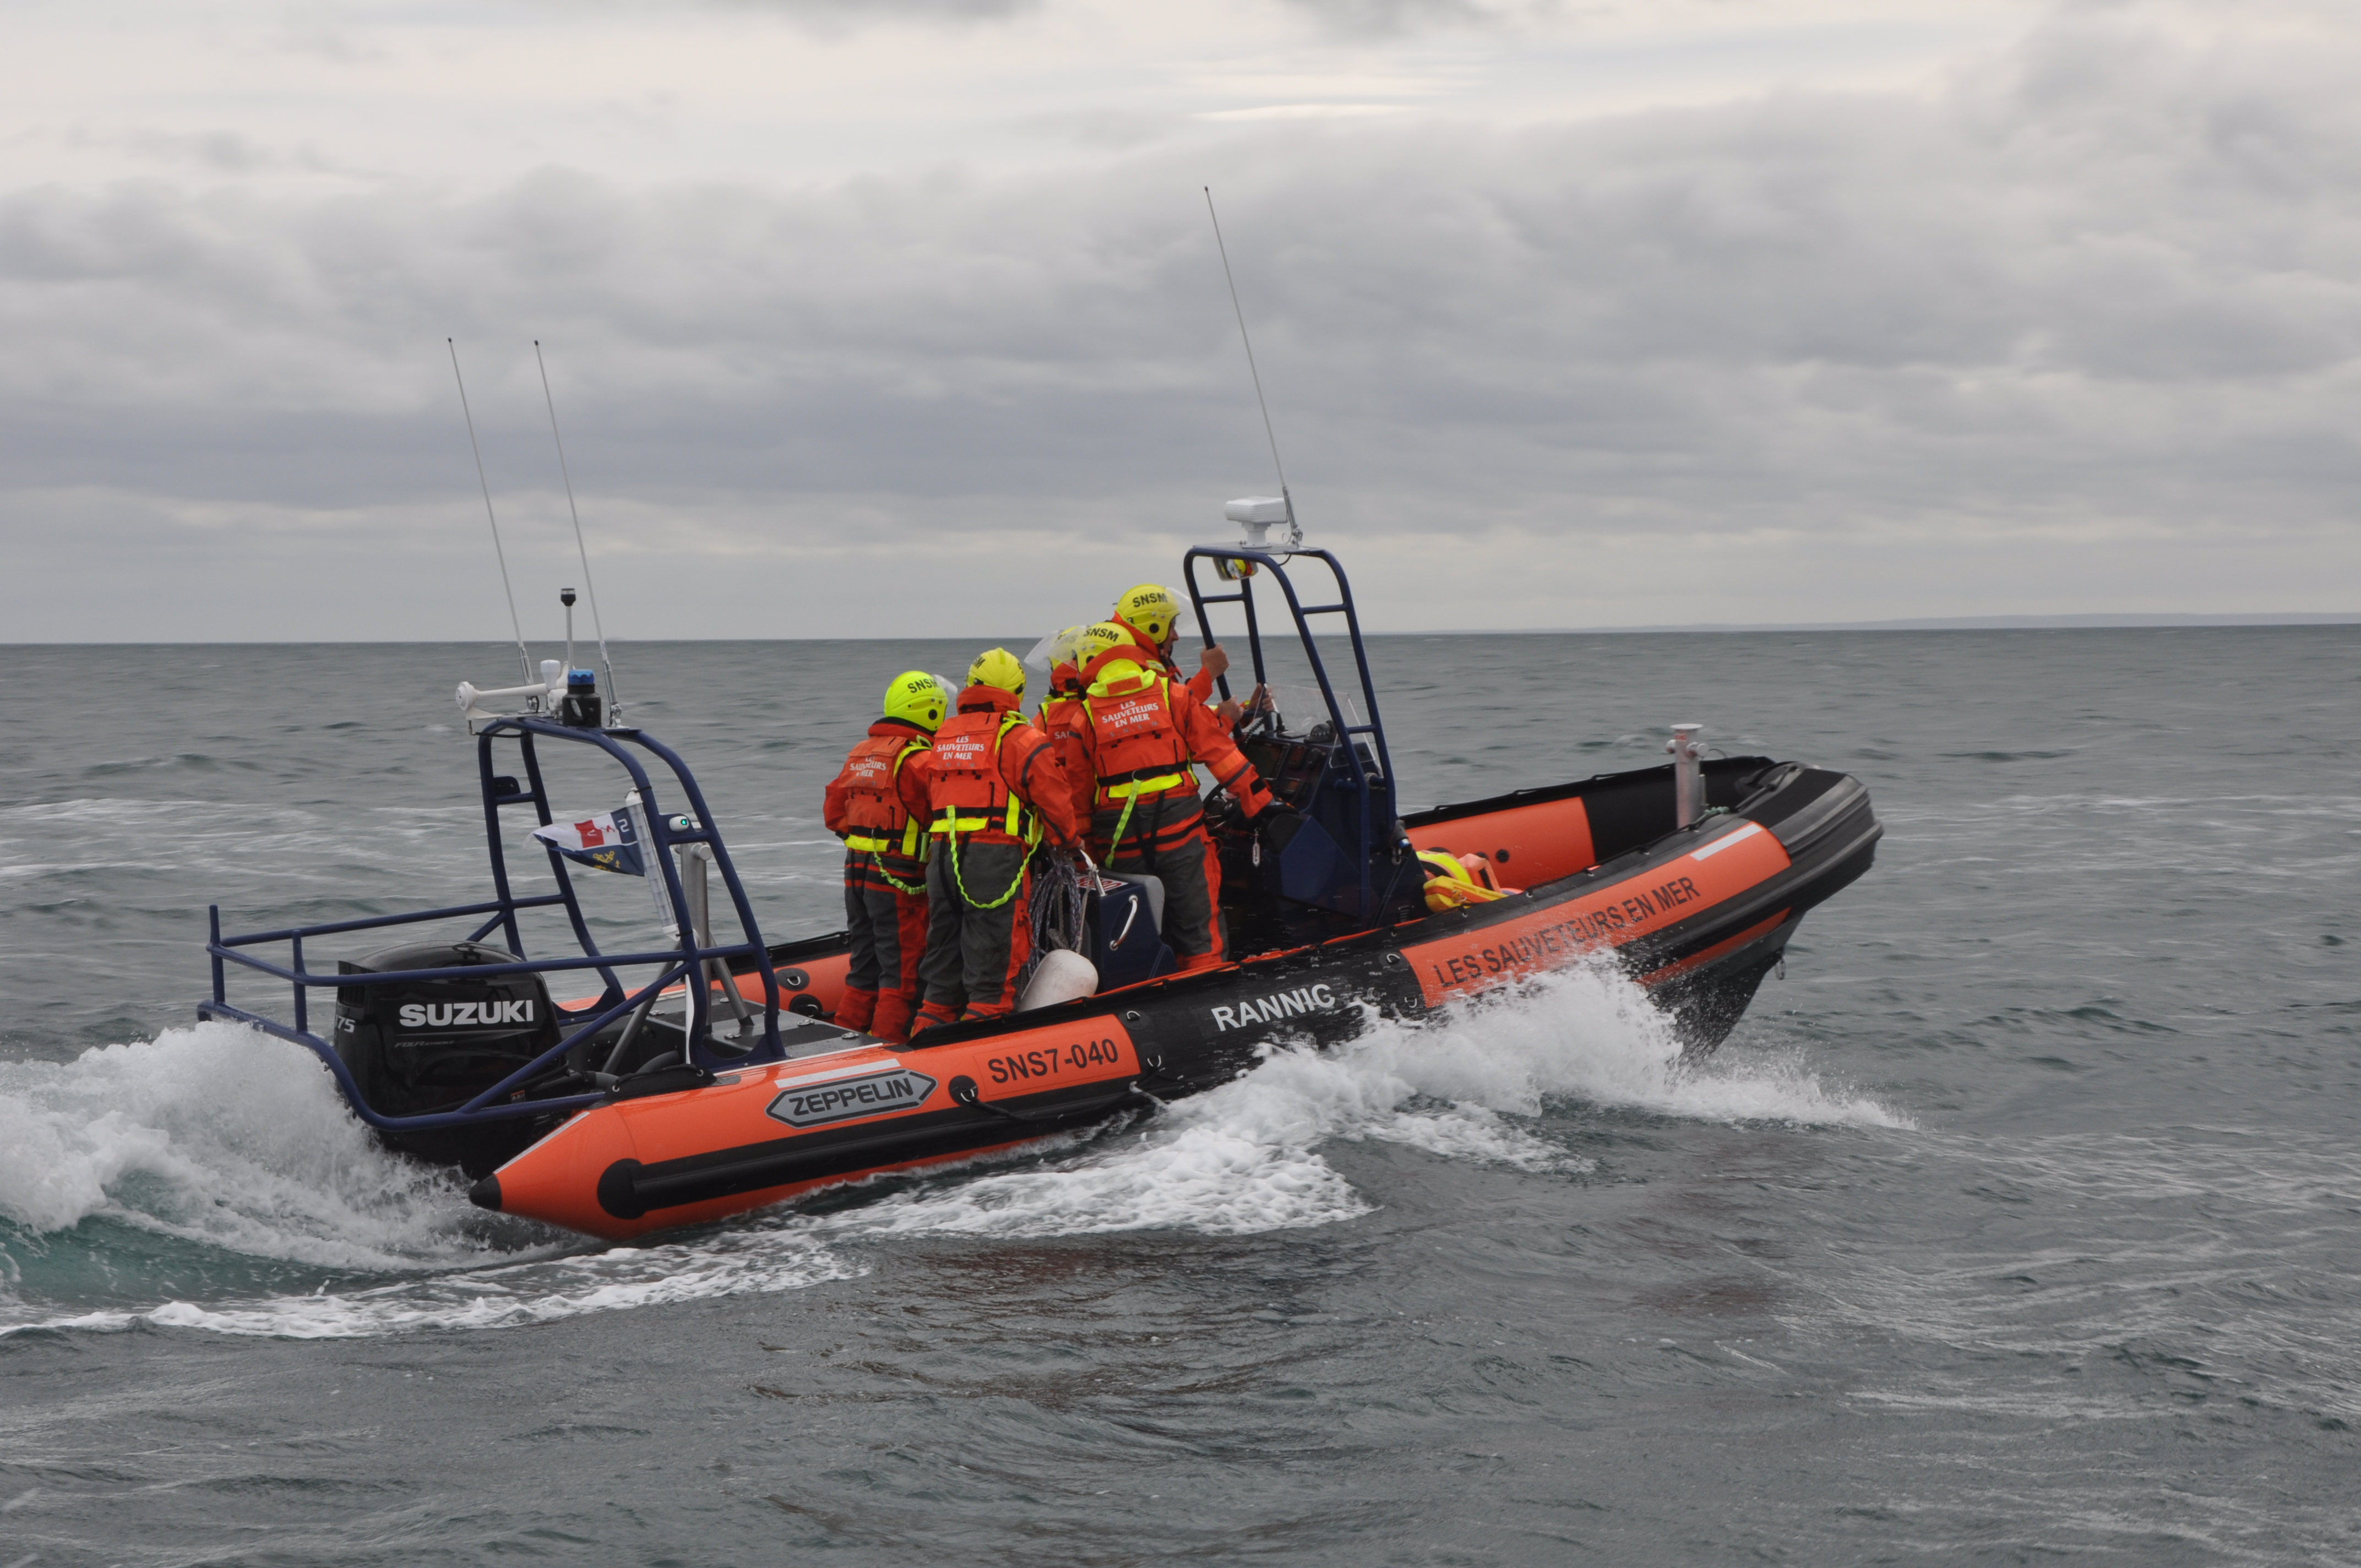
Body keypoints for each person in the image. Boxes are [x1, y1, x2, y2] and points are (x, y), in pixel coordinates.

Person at [1070, 620, 1283, 972]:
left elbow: (1079, 798)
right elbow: (1219, 754)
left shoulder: (1085, 716)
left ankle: (1152, 989)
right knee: (1198, 928)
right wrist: (1261, 802)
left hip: (1120, 844)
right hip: (1180, 834)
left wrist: (1089, 859)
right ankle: (1206, 982)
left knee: (1142, 928)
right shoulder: (1172, 695)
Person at [907, 649, 1085, 1034]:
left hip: (942, 860)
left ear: (971, 686)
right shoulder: (1022, 739)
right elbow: (1055, 801)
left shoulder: (943, 737)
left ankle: (921, 1038)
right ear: (1018, 692)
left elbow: (925, 798)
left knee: (941, 974)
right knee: (992, 975)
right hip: (994, 864)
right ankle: (985, 1044)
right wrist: (1070, 843)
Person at [820, 670, 948, 1044]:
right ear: (930, 712)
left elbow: (833, 813)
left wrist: (866, 838)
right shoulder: (919, 761)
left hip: (856, 874)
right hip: (900, 880)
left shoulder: (861, 754)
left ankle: (846, 1040)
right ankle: (887, 1048)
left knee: (864, 967)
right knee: (902, 974)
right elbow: (943, 813)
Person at [1109, 582, 1248, 728]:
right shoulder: (1129, 667)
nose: (1176, 637)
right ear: (1154, 629)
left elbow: (1183, 710)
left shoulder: (1132, 659)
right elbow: (1172, 715)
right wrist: (1209, 673)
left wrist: (1243, 712)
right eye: (1171, 627)